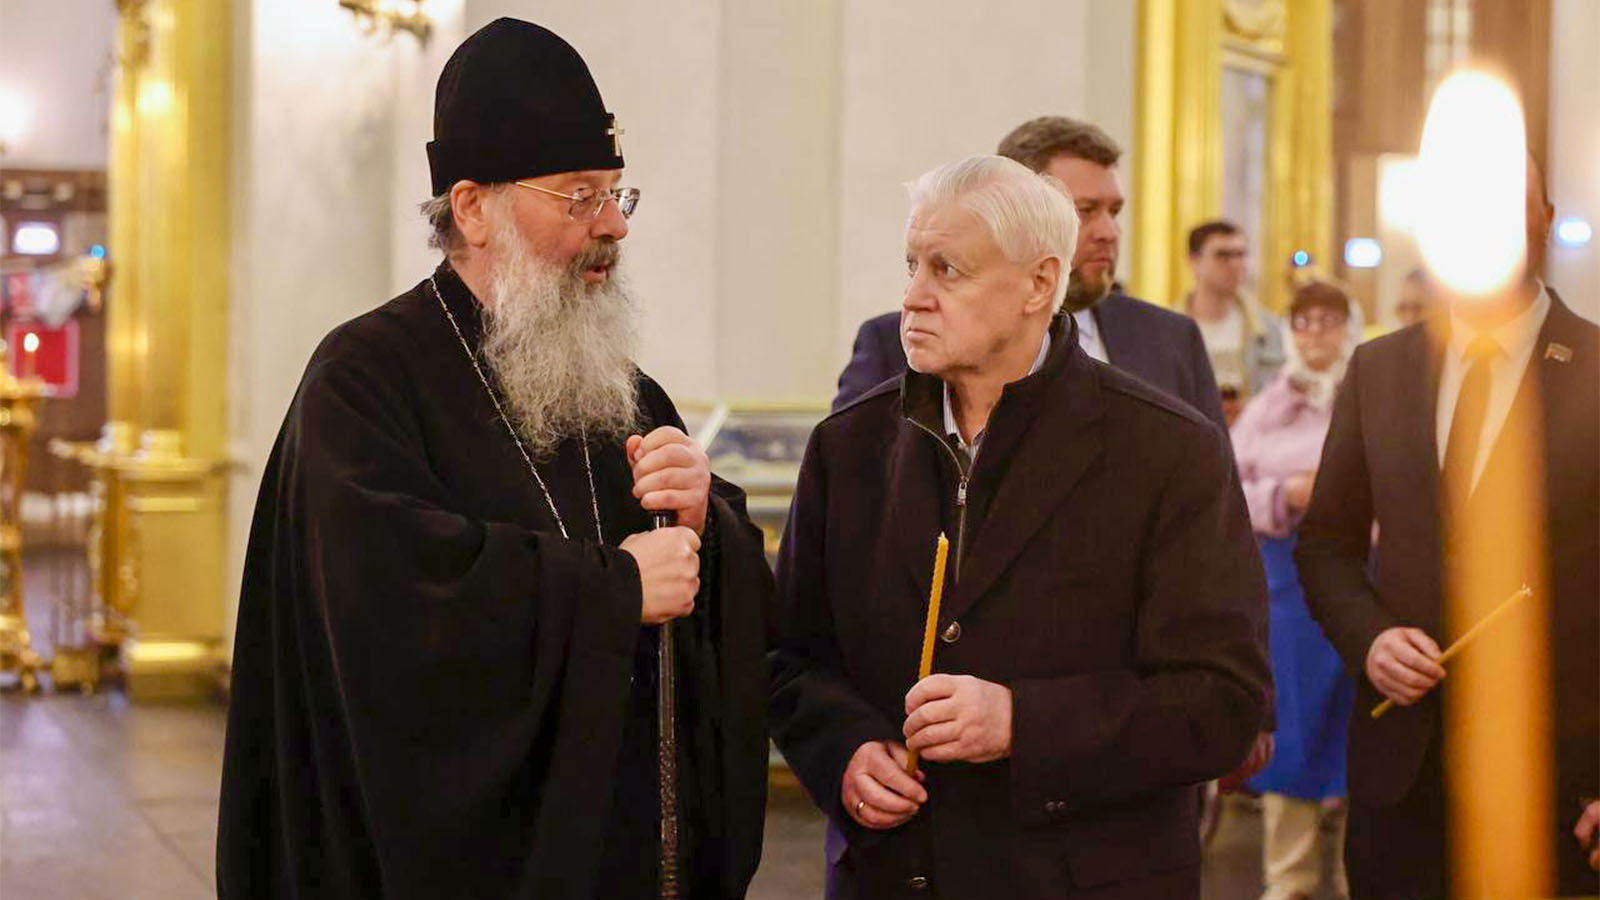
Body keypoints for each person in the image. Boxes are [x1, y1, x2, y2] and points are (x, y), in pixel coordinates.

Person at [217, 19, 773, 900]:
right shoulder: (363, 380)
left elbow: (713, 589)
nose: (613, 227)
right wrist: (615, 590)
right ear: (472, 207)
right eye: (579, 198)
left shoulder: (614, 384)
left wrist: (706, 513)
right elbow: (388, 604)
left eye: (616, 196)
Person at [770, 156, 1271, 899]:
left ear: (1039, 284)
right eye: (911, 265)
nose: (913, 297)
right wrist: (842, 750)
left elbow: (1222, 702)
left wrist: (1021, 723)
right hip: (895, 872)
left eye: (947, 270)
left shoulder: (1167, 449)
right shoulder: (848, 447)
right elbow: (790, 657)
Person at [1297, 154, 1599, 897]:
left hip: (1563, 782)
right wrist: (1371, 639)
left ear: (1545, 220)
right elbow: (1327, 547)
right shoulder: (1379, 369)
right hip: (1404, 777)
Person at [832, 116, 1226, 434]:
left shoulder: (1171, 339)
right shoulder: (894, 346)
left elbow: (1213, 489)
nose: (1109, 232)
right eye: (1085, 211)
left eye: (1114, 212)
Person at [1231, 281, 1364, 900]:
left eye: (1328, 321)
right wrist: (1286, 494)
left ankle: (1358, 875)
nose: (1316, 334)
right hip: (1287, 587)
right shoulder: (1267, 407)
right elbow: (1228, 493)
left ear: (1348, 326)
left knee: (1361, 725)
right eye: (1304, 322)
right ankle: (1290, 880)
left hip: (1364, 577)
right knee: (1296, 723)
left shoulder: (1369, 393)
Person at [1183, 220, 1285, 423]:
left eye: (1241, 255)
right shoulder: (1169, 327)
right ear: (1195, 261)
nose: (1235, 264)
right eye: (1223, 256)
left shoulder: (1268, 328)